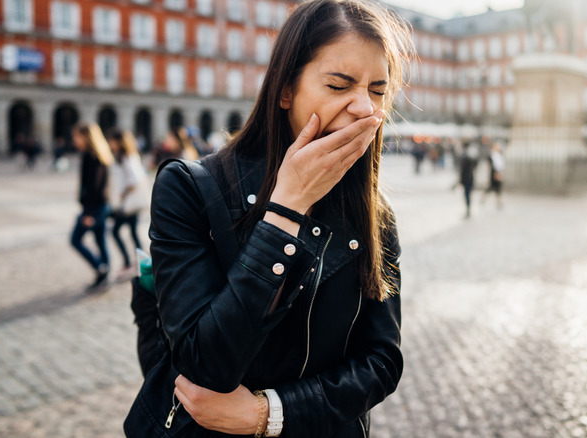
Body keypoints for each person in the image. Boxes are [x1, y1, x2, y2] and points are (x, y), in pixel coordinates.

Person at [124, 0, 411, 436]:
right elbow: (205, 363)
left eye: (377, 90)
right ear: (285, 90)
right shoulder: (189, 188)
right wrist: (286, 209)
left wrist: (269, 413)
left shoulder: (374, 213)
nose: (364, 109)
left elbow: (381, 361)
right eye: (339, 85)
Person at [70, 122, 114, 290]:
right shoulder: (101, 155)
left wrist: (88, 212)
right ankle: (105, 274)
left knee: (75, 240)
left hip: (94, 208)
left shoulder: (90, 156)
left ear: (85, 137)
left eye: (77, 136)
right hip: (101, 205)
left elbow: (94, 187)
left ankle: (100, 269)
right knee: (100, 240)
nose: (74, 140)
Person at [108, 129, 149, 277]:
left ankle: (130, 262)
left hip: (128, 204)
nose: (110, 143)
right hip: (128, 203)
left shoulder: (126, 157)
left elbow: (134, 179)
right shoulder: (124, 156)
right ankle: (140, 263)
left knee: (116, 232)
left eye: (112, 140)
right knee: (132, 233)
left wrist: (123, 193)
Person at [481, 141, 504, 209]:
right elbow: (493, 166)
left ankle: (498, 201)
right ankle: (485, 198)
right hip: (494, 173)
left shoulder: (498, 155)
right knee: (492, 187)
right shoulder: (492, 155)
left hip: (498, 172)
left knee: (497, 188)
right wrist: (496, 174)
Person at [459, 142, 478, 218]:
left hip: (466, 178)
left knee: (467, 194)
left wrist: (460, 180)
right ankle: (468, 209)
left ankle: (468, 209)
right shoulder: (472, 156)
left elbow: (462, 170)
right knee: (468, 194)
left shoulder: (464, 156)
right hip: (470, 177)